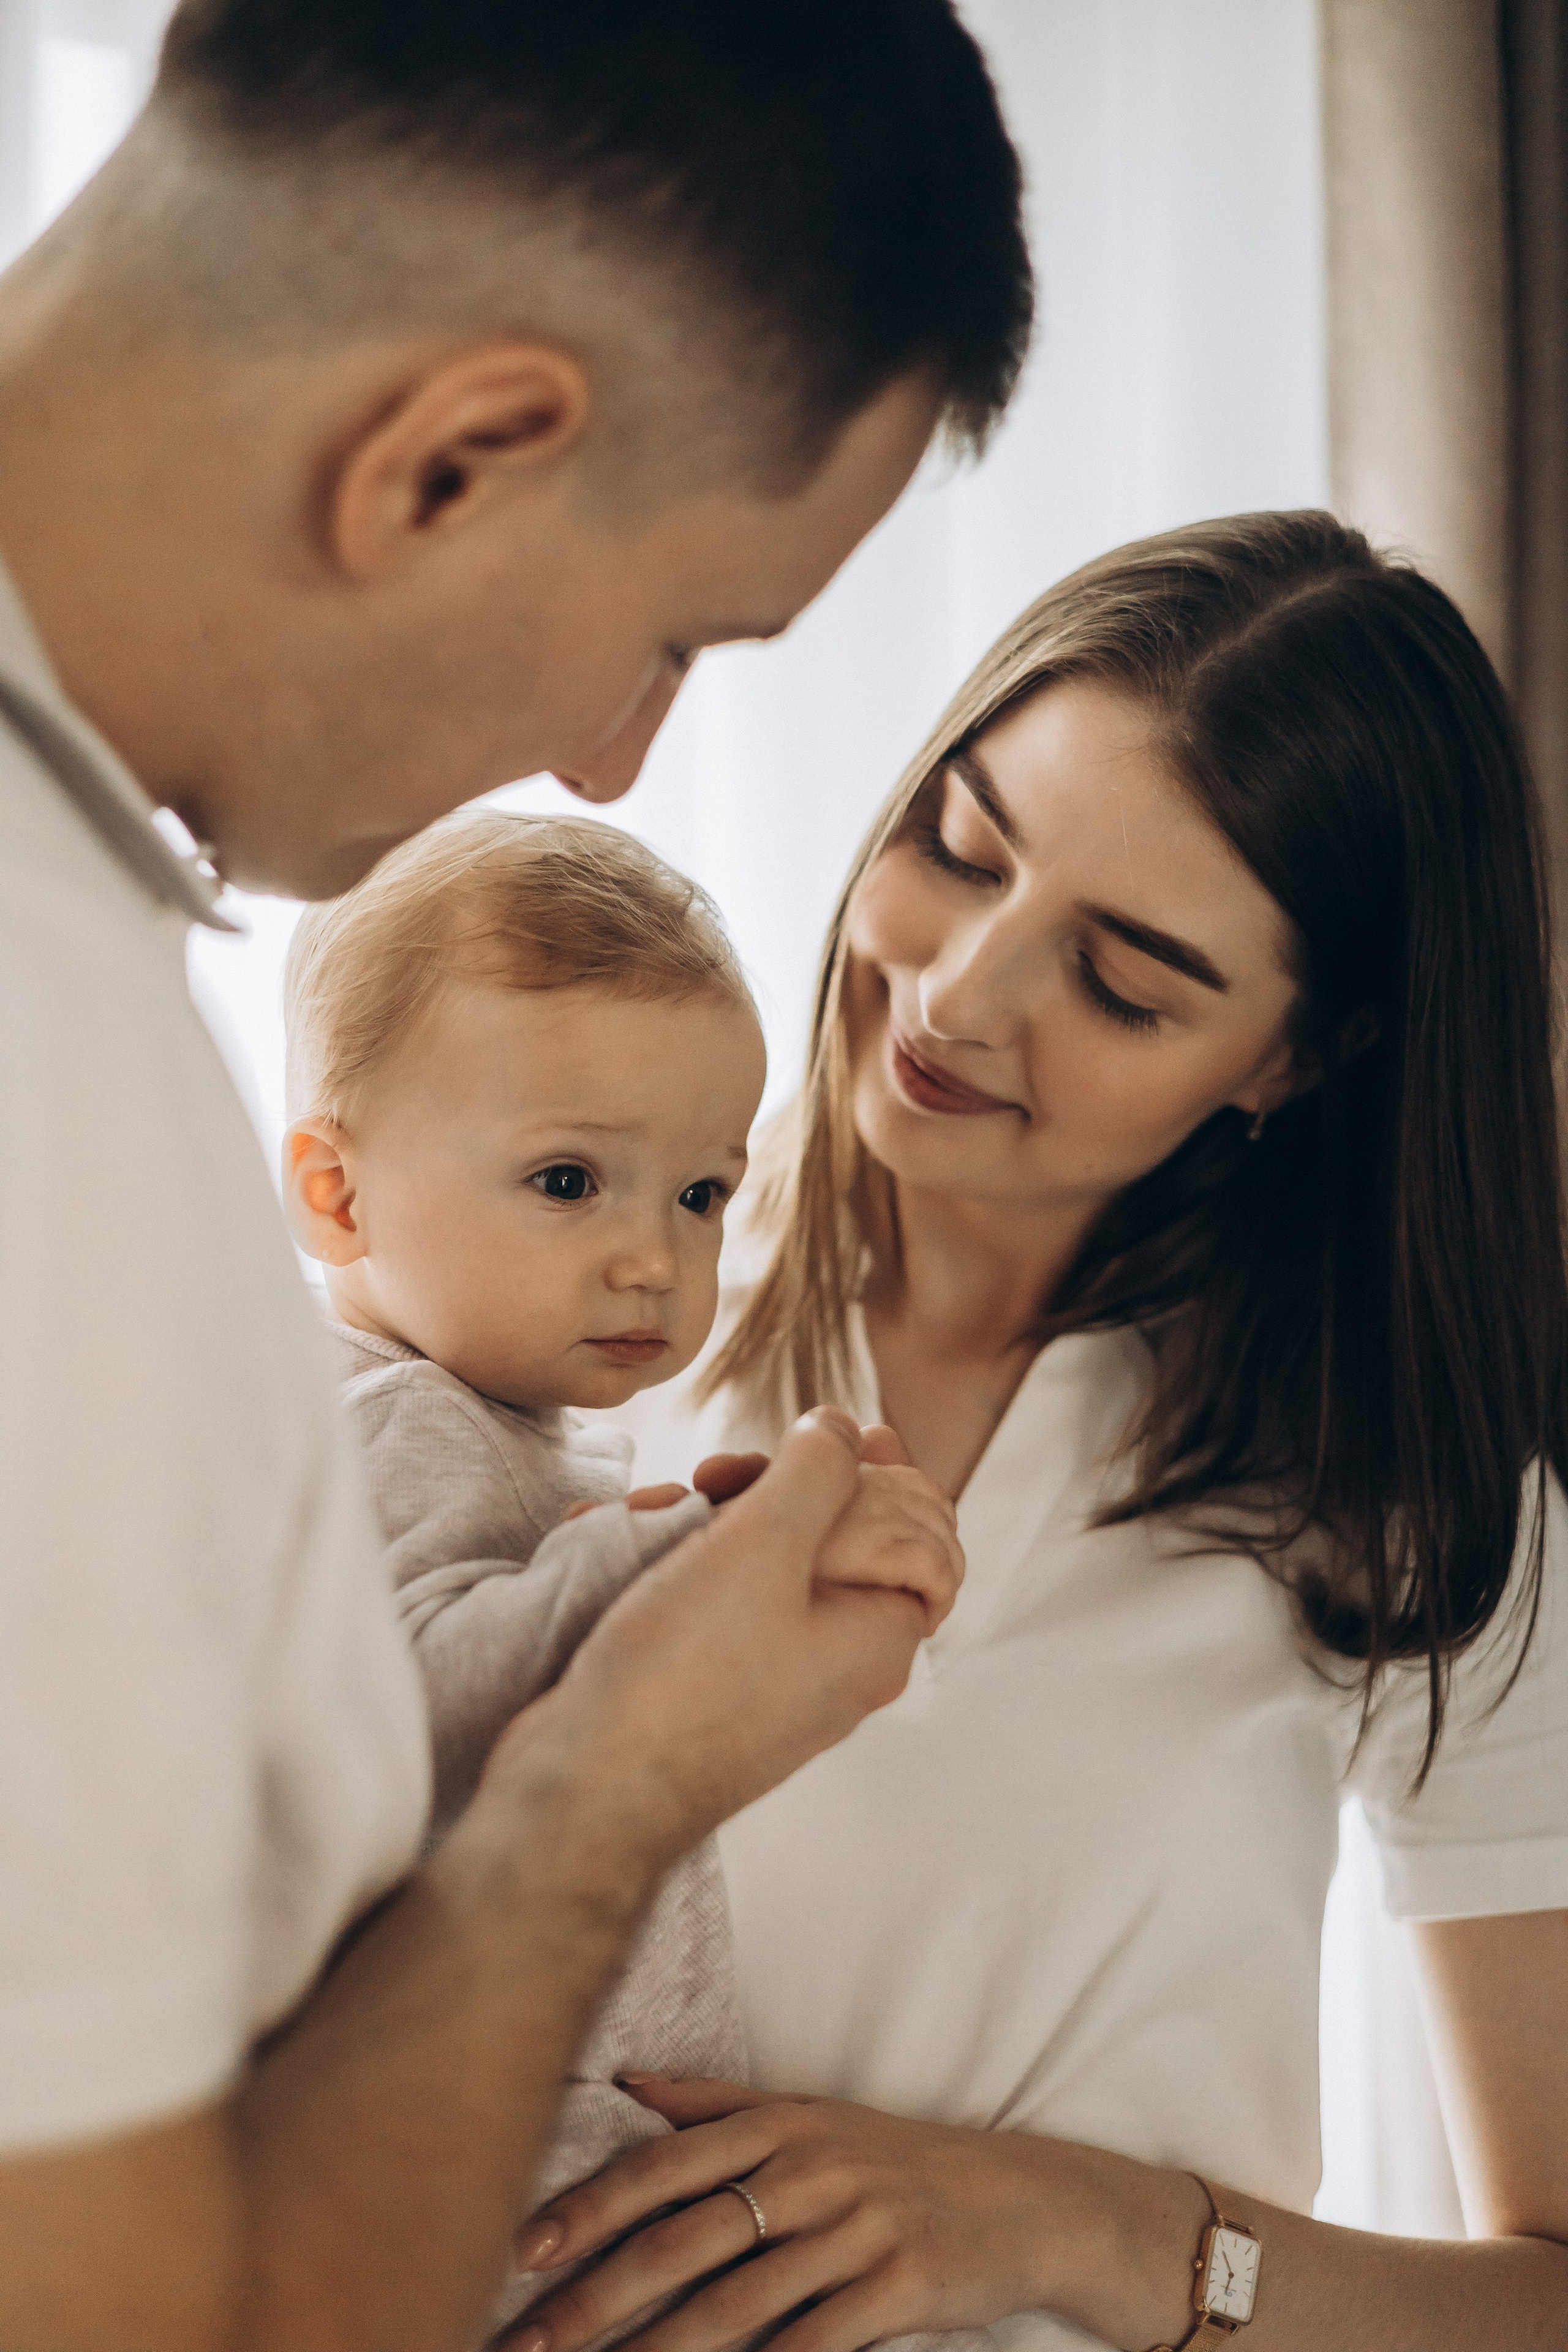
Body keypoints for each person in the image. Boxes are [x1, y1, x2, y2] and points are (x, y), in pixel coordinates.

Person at [0, 5, 1031, 2347]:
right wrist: (613, 1785)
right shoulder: (49, 1088)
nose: (610, 763)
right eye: (676, 633)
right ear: (451, 461)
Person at [511, 515, 1568, 2352]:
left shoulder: (1412, 1505)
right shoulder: (546, 1306)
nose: (959, 995)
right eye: (960, 846)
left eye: (1124, 980)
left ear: (1295, 1061)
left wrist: (1089, 2231)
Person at [279, 808, 963, 2337]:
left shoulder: (485, 1423)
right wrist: (697, 1558)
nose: (654, 1258)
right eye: (570, 1182)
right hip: (501, 2150)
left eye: (699, 1193)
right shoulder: (393, 1423)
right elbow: (441, 1719)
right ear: (336, 1195)